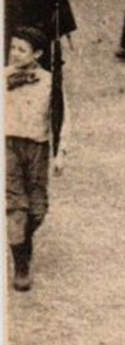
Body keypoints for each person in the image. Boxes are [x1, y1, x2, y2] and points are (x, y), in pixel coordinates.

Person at [6, 27, 64, 291]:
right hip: (8, 147)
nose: (15, 53)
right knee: (16, 206)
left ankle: (21, 242)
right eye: (12, 47)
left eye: (22, 49)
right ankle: (21, 266)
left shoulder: (50, 82)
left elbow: (63, 119)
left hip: (38, 148)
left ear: (37, 54)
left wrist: (60, 153)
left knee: (37, 210)